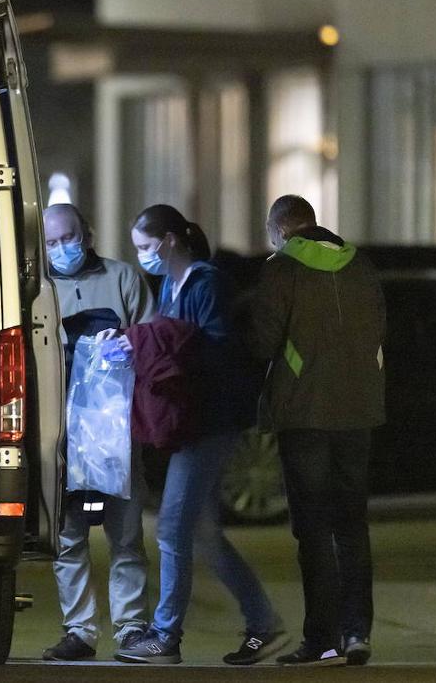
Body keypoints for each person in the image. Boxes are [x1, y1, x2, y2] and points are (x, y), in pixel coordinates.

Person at [113, 204, 286, 666]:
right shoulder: (173, 284)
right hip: (193, 419)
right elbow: (171, 340)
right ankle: (264, 624)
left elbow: (211, 345)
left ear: (170, 240)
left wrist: (154, 344)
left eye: (147, 247)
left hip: (210, 422)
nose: (143, 256)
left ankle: (166, 637)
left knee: (171, 526)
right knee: (205, 534)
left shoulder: (206, 282)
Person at [249, 195, 385, 667]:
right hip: (360, 409)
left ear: (281, 229)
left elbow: (264, 341)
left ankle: (321, 637)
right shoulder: (361, 265)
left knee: (313, 528)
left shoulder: (281, 269)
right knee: (352, 525)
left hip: (304, 413)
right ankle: (357, 634)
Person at [41, 203, 156, 662]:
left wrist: (126, 345)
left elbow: (150, 338)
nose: (61, 249)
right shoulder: (39, 287)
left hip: (114, 429)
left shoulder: (123, 278)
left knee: (125, 534)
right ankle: (80, 631)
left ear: (87, 234)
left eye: (68, 238)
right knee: (67, 536)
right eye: (51, 242)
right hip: (61, 430)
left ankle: (131, 627)